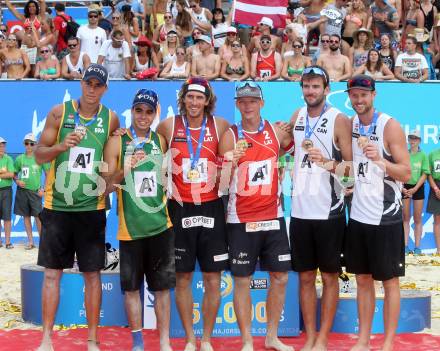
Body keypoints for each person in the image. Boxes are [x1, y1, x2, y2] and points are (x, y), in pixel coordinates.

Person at [34, 63, 119, 351]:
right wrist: (60, 147)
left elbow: (110, 164)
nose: (92, 89)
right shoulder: (60, 112)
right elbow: (38, 156)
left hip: (91, 209)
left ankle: (92, 339)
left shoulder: (112, 120)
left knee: (92, 275)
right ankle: (47, 338)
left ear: (105, 88)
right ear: (81, 83)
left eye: (98, 85)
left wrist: (114, 177)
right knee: (50, 274)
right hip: (57, 207)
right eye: (89, 83)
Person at [218, 82, 295, 351]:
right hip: (241, 219)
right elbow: (221, 183)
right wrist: (230, 160)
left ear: (261, 103)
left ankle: (271, 337)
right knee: (242, 280)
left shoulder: (277, 131)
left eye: (253, 100)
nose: (248, 105)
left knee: (281, 277)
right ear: (237, 104)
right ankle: (248, 341)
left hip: (273, 217)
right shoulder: (230, 134)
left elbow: (296, 145)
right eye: (243, 101)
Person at [156, 78, 230, 351]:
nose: (195, 103)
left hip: (211, 205)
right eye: (190, 97)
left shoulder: (219, 126)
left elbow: (235, 155)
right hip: (180, 206)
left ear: (207, 100)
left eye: (200, 98)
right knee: (183, 277)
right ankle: (189, 338)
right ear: (183, 99)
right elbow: (149, 149)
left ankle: (207, 339)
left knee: (213, 278)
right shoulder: (169, 125)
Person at [103, 90, 175, 351]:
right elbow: (104, 187)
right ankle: (137, 343)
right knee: (132, 290)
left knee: (162, 289)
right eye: (138, 110)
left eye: (148, 111)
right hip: (130, 229)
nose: (143, 116)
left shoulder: (161, 141)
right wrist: (126, 168)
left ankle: (165, 342)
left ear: (155, 113)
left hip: (161, 226)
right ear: (131, 111)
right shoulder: (116, 142)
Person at [344, 74, 411, 351]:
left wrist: (380, 160)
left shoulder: (389, 126)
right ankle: (363, 340)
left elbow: (407, 172)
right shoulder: (351, 124)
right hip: (359, 216)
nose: (359, 100)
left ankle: (387, 343)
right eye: (354, 95)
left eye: (363, 95)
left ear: (374, 95)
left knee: (389, 282)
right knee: (362, 279)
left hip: (385, 217)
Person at [289, 66, 352, 351]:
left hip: (329, 212)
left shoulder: (338, 119)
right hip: (300, 212)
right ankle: (311, 336)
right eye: (306, 86)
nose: (310, 91)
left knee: (328, 276)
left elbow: (351, 171)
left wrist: (328, 162)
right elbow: (280, 148)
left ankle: (323, 339)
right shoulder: (297, 116)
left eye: (316, 86)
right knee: (304, 277)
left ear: (326, 89)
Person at [14, 133, 48, 250]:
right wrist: (17, 181)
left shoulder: (40, 158)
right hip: (22, 191)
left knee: (38, 217)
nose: (29, 146)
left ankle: (43, 243)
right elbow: (14, 173)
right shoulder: (19, 159)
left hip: (35, 192)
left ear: (35, 145)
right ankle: (30, 242)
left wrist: (43, 188)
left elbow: (48, 174)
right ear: (24, 144)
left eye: (31, 143)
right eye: (27, 143)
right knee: (26, 216)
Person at [403, 129, 429, 255]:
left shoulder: (423, 155)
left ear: (419, 141)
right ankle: (405, 246)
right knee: (406, 217)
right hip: (405, 187)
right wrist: (403, 188)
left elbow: (425, 174)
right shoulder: (403, 153)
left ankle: (418, 247)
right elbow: (399, 171)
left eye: (415, 138)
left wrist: (415, 189)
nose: (412, 141)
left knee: (418, 218)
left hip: (417, 187)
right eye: (410, 138)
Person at [0, 137, 14, 249]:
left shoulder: (8, 159)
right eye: (0, 145)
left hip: (6, 191)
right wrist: (3, 172)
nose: (2, 147)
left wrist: (4, 174)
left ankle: (8, 242)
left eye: (3, 145)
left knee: (7, 217)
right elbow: (7, 173)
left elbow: (11, 175)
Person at [427, 142, 440, 255]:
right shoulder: (432, 154)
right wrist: (436, 189)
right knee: (437, 220)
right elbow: (429, 174)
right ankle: (439, 249)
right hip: (436, 187)